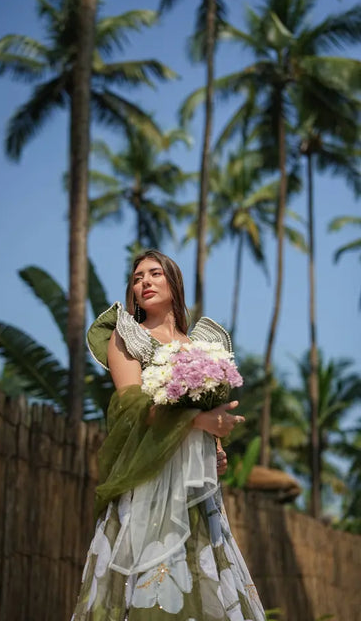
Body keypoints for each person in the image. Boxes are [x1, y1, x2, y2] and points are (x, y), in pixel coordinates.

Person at [72, 250, 265, 621]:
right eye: (137, 277)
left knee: (202, 579)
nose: (143, 282)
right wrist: (196, 422)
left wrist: (217, 447)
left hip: (197, 491)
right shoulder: (126, 336)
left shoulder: (203, 348)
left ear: (174, 284)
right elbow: (132, 409)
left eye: (154, 273)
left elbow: (206, 412)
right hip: (147, 481)